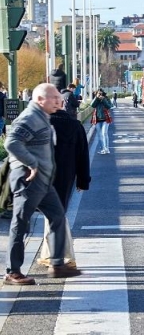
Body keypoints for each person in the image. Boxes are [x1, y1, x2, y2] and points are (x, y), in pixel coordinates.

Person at [4, 83, 82, 285]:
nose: (59, 100)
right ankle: (12, 272)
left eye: (59, 96)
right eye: (54, 97)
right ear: (40, 100)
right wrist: (32, 164)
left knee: (57, 217)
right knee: (20, 225)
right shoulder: (31, 118)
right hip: (28, 180)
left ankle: (57, 263)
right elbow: (11, 142)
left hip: (44, 182)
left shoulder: (43, 117)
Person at [38, 105, 91, 267]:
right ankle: (53, 254)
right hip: (66, 175)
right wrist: (83, 181)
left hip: (42, 174)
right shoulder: (75, 125)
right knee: (57, 212)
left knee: (53, 215)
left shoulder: (42, 123)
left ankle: (61, 255)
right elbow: (83, 156)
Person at [91, 90, 114, 154]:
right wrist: (96, 98)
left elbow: (109, 106)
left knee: (104, 133)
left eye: (101, 94)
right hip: (97, 119)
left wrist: (103, 99)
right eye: (98, 94)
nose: (100, 95)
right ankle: (103, 149)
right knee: (99, 135)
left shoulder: (106, 99)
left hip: (105, 119)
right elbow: (92, 105)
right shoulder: (96, 100)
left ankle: (106, 149)